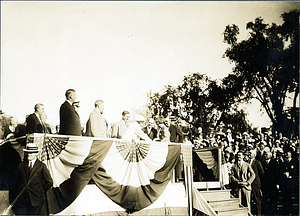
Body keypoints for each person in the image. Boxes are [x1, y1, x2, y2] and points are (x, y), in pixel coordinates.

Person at [10, 143, 53, 215]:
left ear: (36, 154)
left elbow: (49, 182)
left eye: (31, 153)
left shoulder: (41, 166)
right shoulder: (21, 165)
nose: (28, 155)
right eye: (27, 153)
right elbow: (14, 182)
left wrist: (38, 190)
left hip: (35, 201)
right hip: (22, 201)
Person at [248, 150, 264, 216]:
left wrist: (257, 179)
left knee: (257, 199)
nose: (249, 154)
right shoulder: (247, 162)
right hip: (249, 183)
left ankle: (258, 214)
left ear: (254, 155)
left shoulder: (257, 162)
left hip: (256, 183)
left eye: (250, 153)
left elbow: (262, 172)